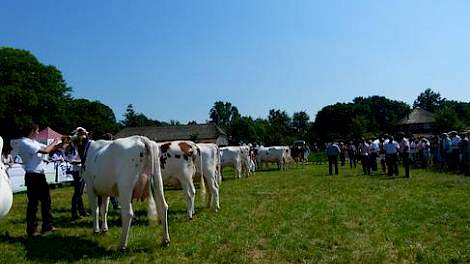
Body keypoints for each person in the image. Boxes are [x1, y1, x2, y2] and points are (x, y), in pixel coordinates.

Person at [16, 123, 62, 237]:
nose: (38, 133)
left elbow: (47, 149)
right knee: (33, 204)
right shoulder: (24, 142)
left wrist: (60, 145)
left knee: (46, 201)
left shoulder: (33, 143)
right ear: (31, 131)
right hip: (33, 175)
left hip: (39, 175)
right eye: (36, 131)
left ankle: (47, 225)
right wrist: (54, 142)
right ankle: (32, 230)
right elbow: (46, 151)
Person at [65, 143, 89, 220]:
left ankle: (82, 211)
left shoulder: (79, 148)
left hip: (81, 171)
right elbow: (71, 161)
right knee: (77, 193)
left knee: (79, 193)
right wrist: (83, 161)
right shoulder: (72, 149)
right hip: (78, 171)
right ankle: (74, 212)